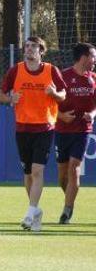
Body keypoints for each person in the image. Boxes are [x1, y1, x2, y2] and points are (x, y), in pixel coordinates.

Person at [0, 36, 67, 231]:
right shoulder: (15, 70)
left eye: (33, 46)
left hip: (44, 126)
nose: (29, 49)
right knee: (27, 174)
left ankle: (29, 213)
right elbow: (0, 95)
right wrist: (10, 97)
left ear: (41, 50)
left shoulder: (51, 70)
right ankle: (35, 210)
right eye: (27, 46)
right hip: (22, 127)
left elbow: (63, 95)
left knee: (37, 171)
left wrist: (54, 94)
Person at [54, 43, 95, 224]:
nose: (94, 60)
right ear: (84, 57)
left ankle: (66, 211)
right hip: (62, 131)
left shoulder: (93, 78)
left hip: (82, 131)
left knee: (74, 169)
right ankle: (70, 199)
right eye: (93, 56)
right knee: (62, 176)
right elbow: (48, 103)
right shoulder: (62, 76)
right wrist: (61, 115)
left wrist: (92, 115)